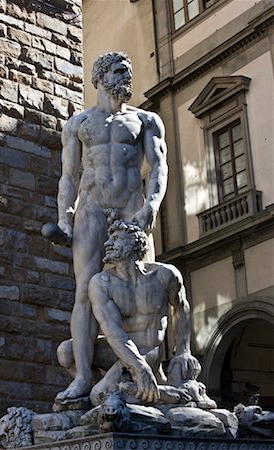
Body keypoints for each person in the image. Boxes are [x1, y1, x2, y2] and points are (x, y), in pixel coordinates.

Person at [55, 52, 168, 401]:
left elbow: (159, 167)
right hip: (91, 209)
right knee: (83, 292)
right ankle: (83, 377)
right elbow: (69, 175)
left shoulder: (146, 120)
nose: (127, 77)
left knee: (143, 288)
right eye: (120, 71)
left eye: (129, 71)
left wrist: (152, 206)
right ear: (101, 77)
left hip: (132, 208)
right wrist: (64, 215)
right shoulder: (79, 123)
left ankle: (150, 367)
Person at [86, 220, 201, 404]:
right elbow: (112, 331)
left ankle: (133, 392)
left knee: (99, 394)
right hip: (119, 348)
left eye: (115, 239)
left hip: (150, 349)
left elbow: (181, 308)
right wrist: (139, 368)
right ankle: (131, 390)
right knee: (66, 352)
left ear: (134, 243)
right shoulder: (101, 282)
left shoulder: (165, 275)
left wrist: (183, 350)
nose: (107, 244)